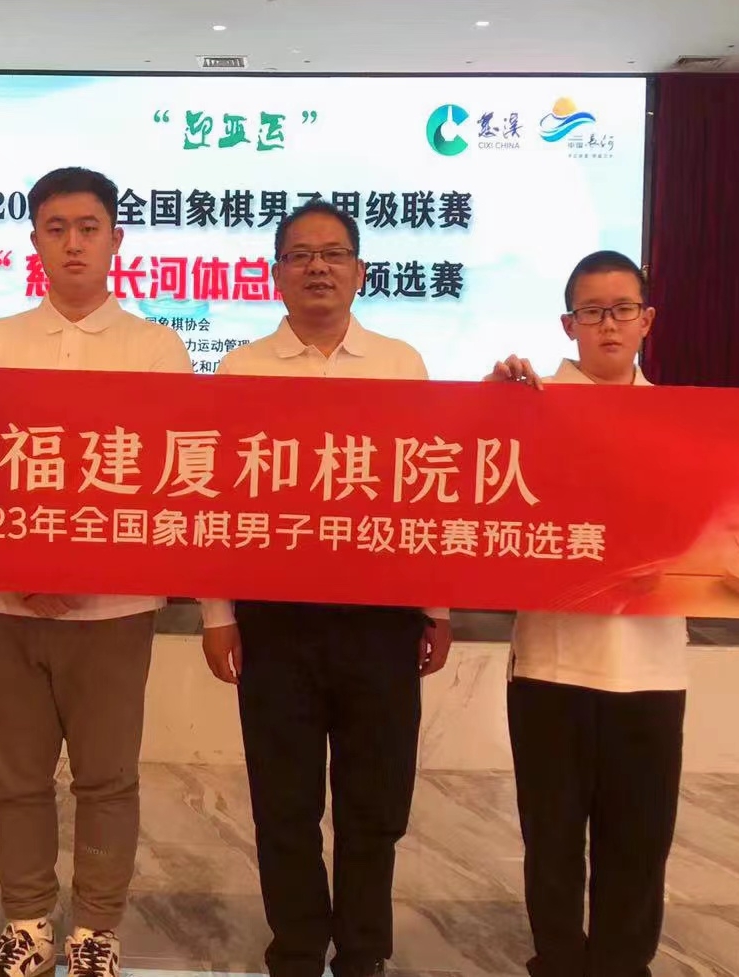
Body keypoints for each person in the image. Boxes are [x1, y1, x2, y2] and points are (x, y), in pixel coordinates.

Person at [487, 250, 739, 977]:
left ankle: (623, 965)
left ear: (647, 320)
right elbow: (473, 488)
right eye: (591, 311)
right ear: (568, 324)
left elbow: (738, 514)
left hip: (650, 668)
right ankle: (556, 963)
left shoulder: (688, 426)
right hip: (550, 663)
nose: (608, 324)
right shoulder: (529, 405)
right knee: (551, 841)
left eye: (622, 309)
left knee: (639, 843)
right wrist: (491, 404)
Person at [199, 201, 454, 977]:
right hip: (275, 621)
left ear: (360, 272)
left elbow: (424, 492)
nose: (318, 267)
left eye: (334, 253)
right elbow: (217, 500)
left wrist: (436, 607)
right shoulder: (240, 370)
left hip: (379, 619)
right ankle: (298, 949)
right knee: (284, 804)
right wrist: (216, 614)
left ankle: (364, 951)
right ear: (275, 273)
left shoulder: (401, 364)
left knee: (375, 803)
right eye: (301, 254)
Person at [0, 166, 192, 977]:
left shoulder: (156, 349)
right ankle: (26, 927)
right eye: (55, 228)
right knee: (15, 779)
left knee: (106, 779)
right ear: (33, 241)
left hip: (114, 609)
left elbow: (163, 475)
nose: (72, 243)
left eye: (88, 227)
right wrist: (23, 570)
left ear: (116, 239)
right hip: (3, 604)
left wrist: (84, 569)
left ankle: (95, 932)